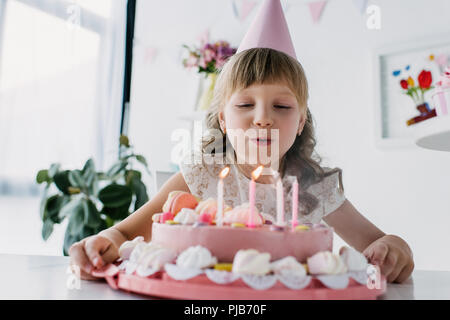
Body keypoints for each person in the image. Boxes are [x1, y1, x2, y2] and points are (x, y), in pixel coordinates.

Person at [69, 0, 414, 283]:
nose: (262, 118)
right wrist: (104, 242)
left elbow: (381, 243)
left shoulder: (313, 187)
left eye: (281, 106)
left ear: (300, 122)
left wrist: (395, 250)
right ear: (222, 118)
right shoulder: (203, 173)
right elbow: (125, 233)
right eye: (246, 105)